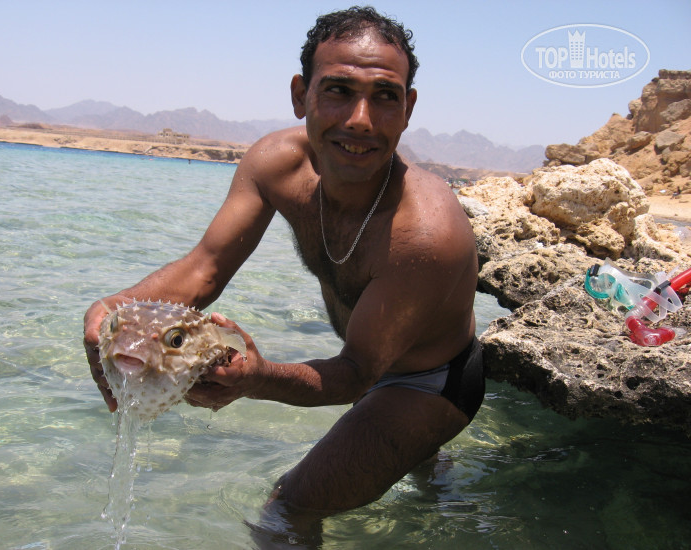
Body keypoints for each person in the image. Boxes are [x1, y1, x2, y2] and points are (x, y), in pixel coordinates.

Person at [84, 5, 484, 542]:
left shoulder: (426, 232)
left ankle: (422, 442)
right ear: (301, 94)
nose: (360, 119)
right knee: (400, 462)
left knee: (287, 510)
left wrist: (258, 377)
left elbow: (357, 373)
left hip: (432, 380)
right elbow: (205, 269)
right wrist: (112, 309)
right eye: (338, 90)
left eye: (385, 96)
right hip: (369, 359)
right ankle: (432, 470)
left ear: (408, 108)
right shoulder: (277, 164)